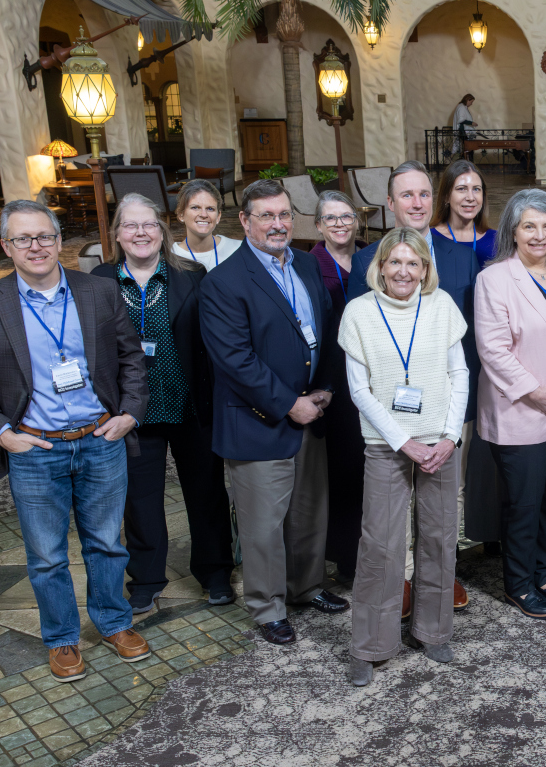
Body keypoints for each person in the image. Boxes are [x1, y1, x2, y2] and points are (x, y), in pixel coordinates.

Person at [0, 199, 150, 682]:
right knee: (47, 554)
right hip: (35, 448)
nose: (36, 246)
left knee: (108, 543)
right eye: (23, 238)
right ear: (6, 246)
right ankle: (63, 638)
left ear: (58, 240)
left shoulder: (99, 291)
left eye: (45, 236)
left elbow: (132, 359)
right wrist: (4, 436)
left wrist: (129, 414)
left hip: (99, 438)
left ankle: (113, 623)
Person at [199, 180, 348, 646]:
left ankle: (305, 587)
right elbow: (235, 360)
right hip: (257, 422)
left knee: (308, 513)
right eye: (266, 216)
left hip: (311, 412)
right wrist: (289, 404)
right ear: (244, 221)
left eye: (284, 214)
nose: (278, 224)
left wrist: (323, 388)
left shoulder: (305, 263)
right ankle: (268, 607)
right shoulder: (223, 282)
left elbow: (324, 330)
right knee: (263, 525)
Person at [91, 194, 235, 613]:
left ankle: (215, 572)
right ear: (117, 234)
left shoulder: (192, 274)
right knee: (139, 499)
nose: (140, 233)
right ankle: (148, 577)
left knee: (207, 492)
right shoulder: (99, 281)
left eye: (149, 225)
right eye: (130, 226)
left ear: (162, 230)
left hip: (191, 403)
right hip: (130, 411)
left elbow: (213, 340)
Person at [340, 229, 469, 684]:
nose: (403, 271)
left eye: (412, 263)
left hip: (440, 441)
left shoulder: (443, 307)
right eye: (394, 262)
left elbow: (460, 374)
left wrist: (451, 436)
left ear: (424, 270)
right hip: (385, 445)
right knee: (381, 545)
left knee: (438, 537)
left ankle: (433, 632)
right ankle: (370, 643)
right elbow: (359, 390)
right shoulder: (358, 312)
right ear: (380, 267)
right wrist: (403, 442)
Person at [349, 161, 474, 612]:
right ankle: (401, 578)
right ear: (390, 203)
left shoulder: (459, 249)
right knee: (394, 505)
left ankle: (440, 574)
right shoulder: (368, 261)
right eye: (407, 195)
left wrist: (455, 415)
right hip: (390, 411)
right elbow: (361, 338)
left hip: (447, 397)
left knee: (446, 495)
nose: (417, 203)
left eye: (424, 194)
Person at [475, 189, 546, 619]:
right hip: (521, 409)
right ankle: (518, 583)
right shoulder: (495, 279)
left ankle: (542, 573)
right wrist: (537, 393)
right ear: (514, 232)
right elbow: (493, 350)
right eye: (529, 226)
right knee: (523, 503)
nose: (539, 235)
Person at [311, 190, 368, 581]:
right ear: (318, 226)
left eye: (346, 216)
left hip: (374, 373)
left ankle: (374, 550)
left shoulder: (372, 257)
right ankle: (346, 558)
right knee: (343, 470)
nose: (340, 225)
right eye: (330, 218)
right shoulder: (309, 265)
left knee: (373, 468)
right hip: (334, 378)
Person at [431, 159, 498, 266]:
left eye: (476, 189)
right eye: (461, 189)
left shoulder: (497, 240)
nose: (471, 198)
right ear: (446, 196)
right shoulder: (431, 239)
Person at [172, 179, 242, 270]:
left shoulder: (238, 249)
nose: (204, 215)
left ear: (218, 216)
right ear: (181, 214)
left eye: (210, 209)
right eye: (195, 207)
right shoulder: (171, 256)